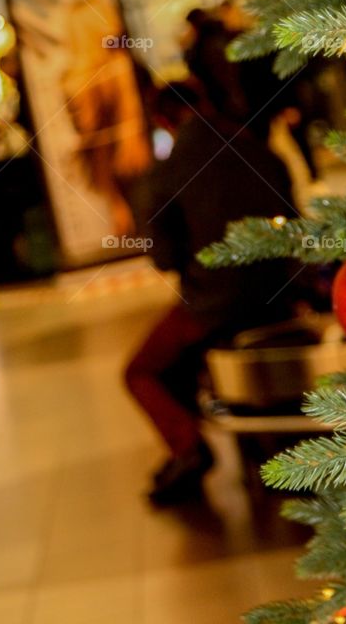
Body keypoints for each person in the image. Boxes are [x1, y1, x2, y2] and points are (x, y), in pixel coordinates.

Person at [124, 72, 296, 505]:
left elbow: (162, 257)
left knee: (142, 370)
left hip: (216, 304)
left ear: (164, 120)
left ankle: (188, 448)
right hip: (281, 292)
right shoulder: (259, 150)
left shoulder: (164, 174)